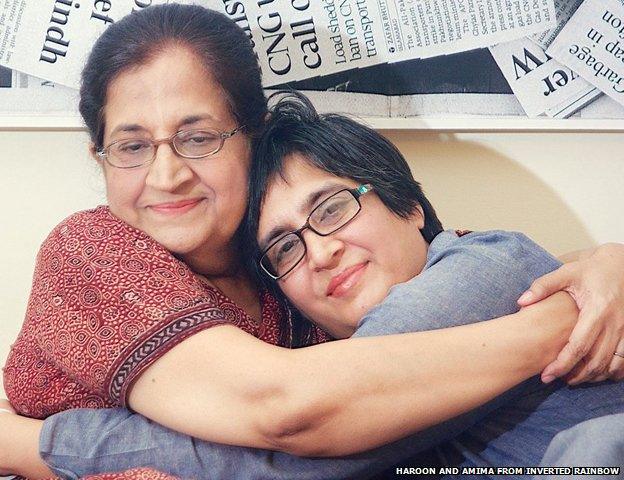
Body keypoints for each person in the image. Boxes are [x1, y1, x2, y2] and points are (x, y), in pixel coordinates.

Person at [1, 4, 624, 479]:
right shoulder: (96, 250)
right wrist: (558, 321)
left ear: (253, 132)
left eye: (198, 136)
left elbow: (305, 409)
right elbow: (296, 412)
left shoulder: (290, 284)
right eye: (132, 147)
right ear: (101, 157)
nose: (166, 175)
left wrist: (598, 269)